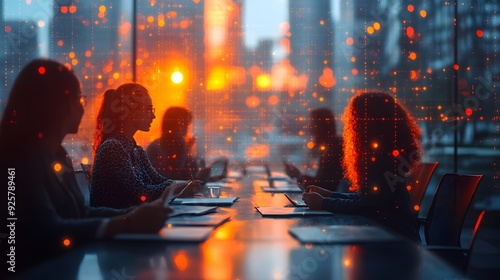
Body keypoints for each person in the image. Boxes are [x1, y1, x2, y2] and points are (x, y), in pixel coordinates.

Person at [0, 59, 172, 275]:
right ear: (64, 104)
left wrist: (133, 216)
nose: (83, 107)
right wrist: (126, 222)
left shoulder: (57, 155)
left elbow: (80, 213)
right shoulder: (21, 160)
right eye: (80, 99)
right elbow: (48, 230)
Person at [302, 91, 421, 242]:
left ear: (370, 123)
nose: (353, 125)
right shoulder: (384, 156)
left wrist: (324, 202)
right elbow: (366, 198)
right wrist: (329, 195)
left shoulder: (387, 161)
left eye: (356, 119)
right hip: (383, 234)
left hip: (395, 241)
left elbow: (368, 205)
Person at [90, 84, 201, 209]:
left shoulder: (137, 150)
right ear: (129, 112)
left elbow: (158, 180)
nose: (153, 116)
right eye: (148, 109)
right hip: (119, 225)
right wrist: (178, 187)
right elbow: (141, 193)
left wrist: (183, 185)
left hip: (131, 221)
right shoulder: (113, 148)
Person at [283, 107, 346, 191]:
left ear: (321, 125)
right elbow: (321, 181)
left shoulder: (334, 149)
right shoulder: (330, 146)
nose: (309, 127)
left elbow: (324, 186)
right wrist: (299, 176)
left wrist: (299, 176)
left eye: (312, 123)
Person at [146, 106, 211, 181]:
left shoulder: (181, 145)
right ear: (172, 125)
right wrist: (185, 151)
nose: (187, 129)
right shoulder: (155, 149)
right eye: (184, 125)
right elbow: (169, 177)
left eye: (188, 125)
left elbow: (189, 175)